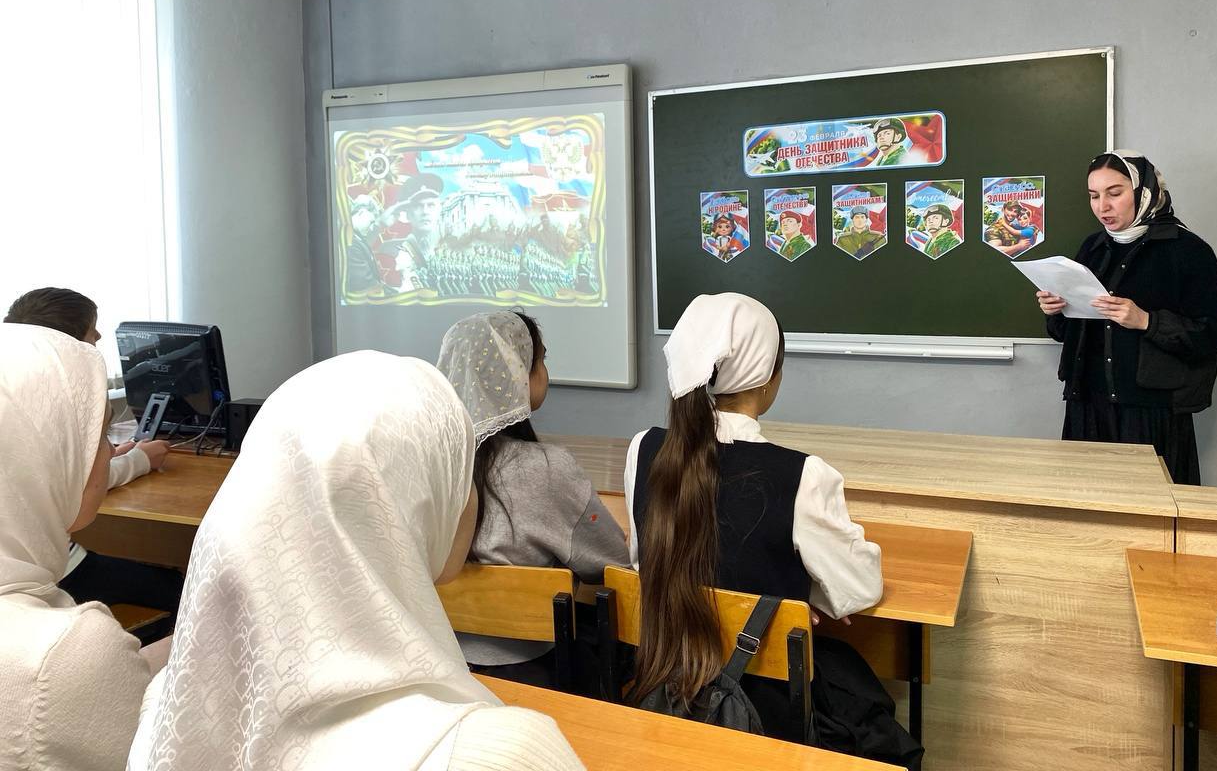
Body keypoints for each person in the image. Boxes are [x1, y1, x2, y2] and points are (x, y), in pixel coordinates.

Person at [128, 350, 585, 771]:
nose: (468, 493)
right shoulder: (505, 754)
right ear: (412, 495)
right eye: (459, 467)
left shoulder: (168, 708)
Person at [623, 293, 922, 768]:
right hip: (765, 716)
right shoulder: (802, 475)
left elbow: (644, 561)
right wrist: (802, 595)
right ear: (768, 377)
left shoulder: (645, 450)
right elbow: (859, 589)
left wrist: (783, 599)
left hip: (664, 692)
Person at [0, 324, 165, 771]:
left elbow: (91, 690)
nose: (109, 453)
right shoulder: (63, 651)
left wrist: (191, 641)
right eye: (99, 437)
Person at [438, 311, 628, 685]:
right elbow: (611, 566)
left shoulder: (431, 463)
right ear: (518, 376)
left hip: (447, 663)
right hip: (535, 670)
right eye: (541, 359)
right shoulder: (547, 468)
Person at [1036, 150, 1217, 485]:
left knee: (1151, 510)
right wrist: (1056, 310)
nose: (1103, 206)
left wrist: (1147, 321)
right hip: (1087, 405)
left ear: (1144, 192)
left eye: (1114, 193)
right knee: (1089, 506)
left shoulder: (1186, 250)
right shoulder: (1092, 248)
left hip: (1150, 412)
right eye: (1094, 196)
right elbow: (1066, 332)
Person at [4, 288, 184, 622]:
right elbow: (72, 484)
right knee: (183, 587)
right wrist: (139, 461)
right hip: (63, 572)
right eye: (92, 332)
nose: (99, 338)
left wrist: (109, 459)